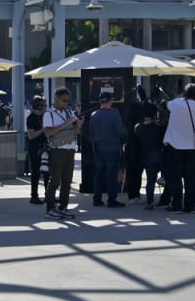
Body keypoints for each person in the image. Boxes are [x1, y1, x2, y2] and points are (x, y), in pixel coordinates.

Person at [161, 84, 195, 214]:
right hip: (191, 147)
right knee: (190, 178)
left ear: (185, 93)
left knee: (175, 178)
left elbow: (167, 105)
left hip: (174, 146)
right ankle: (190, 205)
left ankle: (176, 205)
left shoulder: (176, 103)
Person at [41, 88, 82, 220]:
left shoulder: (69, 112)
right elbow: (47, 133)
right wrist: (66, 123)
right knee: (55, 181)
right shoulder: (49, 114)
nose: (66, 103)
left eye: (67, 101)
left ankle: (63, 207)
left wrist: (79, 124)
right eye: (64, 100)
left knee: (67, 181)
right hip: (57, 150)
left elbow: (76, 131)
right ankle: (50, 208)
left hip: (70, 149)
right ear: (56, 98)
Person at [87, 94, 127, 208]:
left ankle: (97, 199)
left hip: (98, 148)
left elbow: (91, 133)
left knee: (99, 174)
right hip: (112, 148)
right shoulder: (114, 115)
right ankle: (112, 200)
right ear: (110, 101)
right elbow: (121, 132)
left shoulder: (93, 115)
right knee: (112, 175)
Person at [132, 105, 165, 209]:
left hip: (146, 155)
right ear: (154, 115)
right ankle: (166, 199)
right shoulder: (158, 128)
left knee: (150, 180)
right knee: (168, 177)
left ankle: (149, 201)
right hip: (159, 154)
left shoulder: (138, 127)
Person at [24, 96, 47, 205]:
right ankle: (34, 195)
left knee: (47, 171)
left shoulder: (44, 117)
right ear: (39, 106)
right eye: (44, 105)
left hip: (45, 147)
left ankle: (49, 194)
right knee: (36, 172)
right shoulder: (31, 118)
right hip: (35, 148)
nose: (46, 107)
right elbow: (31, 135)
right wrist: (42, 130)